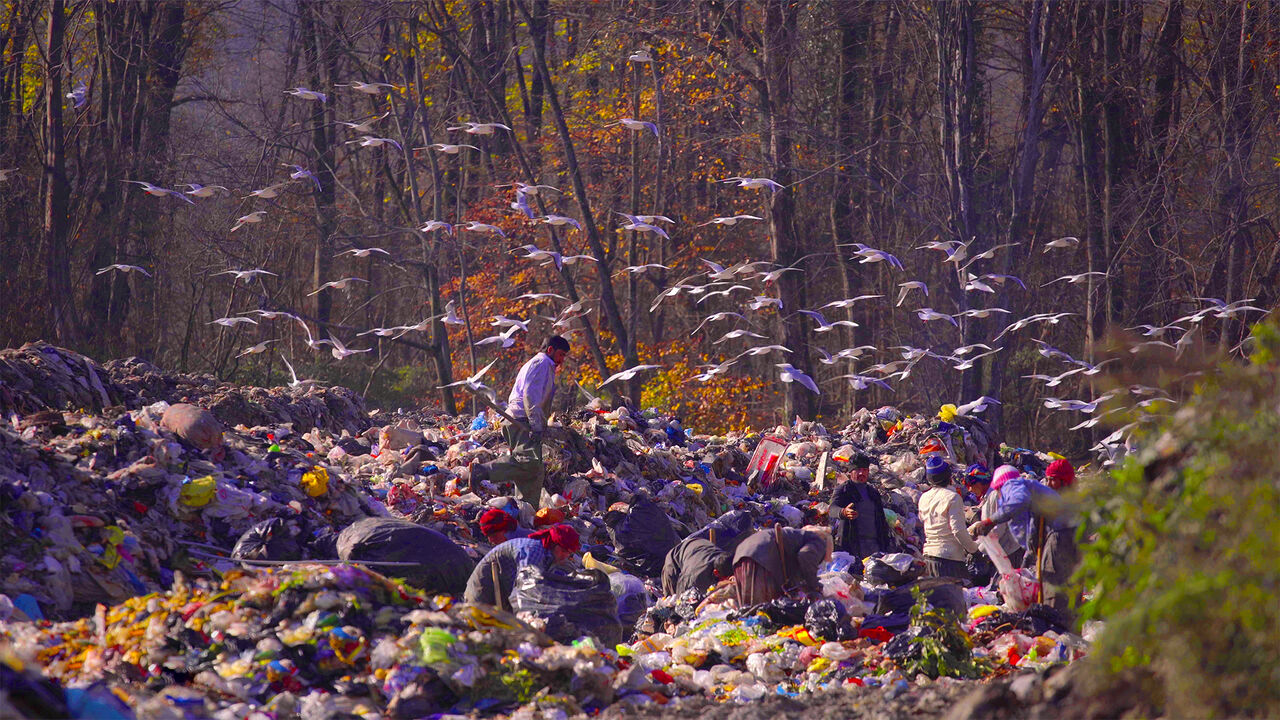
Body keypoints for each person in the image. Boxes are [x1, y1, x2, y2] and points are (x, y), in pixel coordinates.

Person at [471, 336, 570, 503]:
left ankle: (526, 513)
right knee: (528, 463)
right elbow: (530, 397)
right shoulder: (542, 363)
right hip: (521, 420)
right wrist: (536, 426)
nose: (561, 360)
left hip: (523, 420)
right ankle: (483, 471)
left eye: (564, 356)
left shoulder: (543, 364)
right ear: (550, 350)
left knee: (534, 472)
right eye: (560, 354)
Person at [973, 458, 1079, 613]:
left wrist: (989, 521)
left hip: (1058, 539)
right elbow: (1035, 532)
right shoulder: (1037, 494)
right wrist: (1025, 564)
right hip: (1061, 540)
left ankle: (1056, 624)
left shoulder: (1011, 484)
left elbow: (1019, 501)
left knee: (1053, 589)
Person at [464, 523, 579, 608]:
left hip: (503, 589)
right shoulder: (534, 552)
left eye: (569, 553)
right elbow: (526, 588)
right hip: (485, 589)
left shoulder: (548, 556)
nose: (565, 556)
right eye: (564, 551)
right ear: (554, 545)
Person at [732, 524, 832, 606]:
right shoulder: (819, 541)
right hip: (761, 555)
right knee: (762, 606)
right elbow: (806, 556)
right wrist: (814, 585)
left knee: (748, 606)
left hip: (742, 552)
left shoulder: (796, 538)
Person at [918, 456, 979, 580]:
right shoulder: (953, 497)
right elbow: (958, 531)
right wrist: (974, 550)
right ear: (948, 476)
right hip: (949, 561)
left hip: (929, 557)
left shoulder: (923, 497)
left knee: (935, 598)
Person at [828, 454, 892, 570]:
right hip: (852, 544)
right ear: (851, 472)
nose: (862, 473)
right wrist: (843, 512)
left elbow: (881, 520)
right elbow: (832, 509)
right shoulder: (844, 490)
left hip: (874, 544)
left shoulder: (873, 492)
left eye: (865, 470)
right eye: (858, 470)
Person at [968, 464, 1025, 569]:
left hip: (1007, 553)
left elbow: (997, 530)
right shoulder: (991, 496)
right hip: (1004, 551)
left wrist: (979, 551)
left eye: (971, 484)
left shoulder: (995, 496)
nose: (970, 489)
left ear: (981, 482)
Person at [661, 536, 733, 596]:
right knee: (672, 600)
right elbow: (681, 599)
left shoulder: (728, 561)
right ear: (716, 573)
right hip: (675, 560)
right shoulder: (694, 577)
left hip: (698, 547)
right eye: (725, 579)